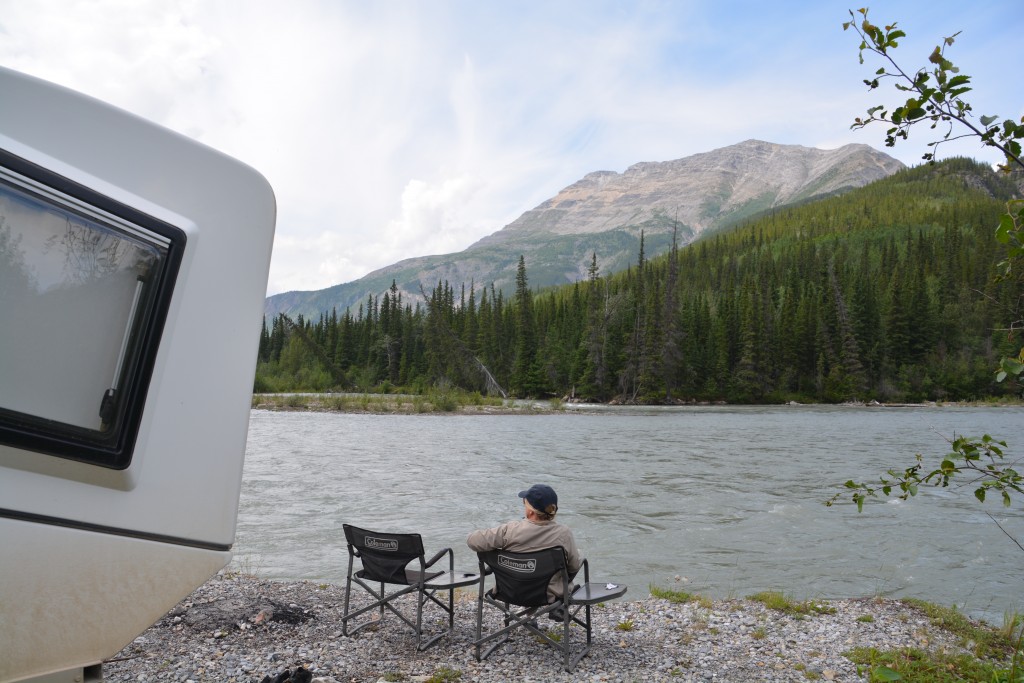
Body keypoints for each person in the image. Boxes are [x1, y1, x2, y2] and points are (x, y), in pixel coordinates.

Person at [466, 483, 583, 608]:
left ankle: (528, 614)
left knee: (525, 570)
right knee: (576, 557)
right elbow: (573, 566)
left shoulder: (510, 530)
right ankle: (558, 606)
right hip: (549, 595)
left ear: (531, 511)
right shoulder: (563, 534)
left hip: (510, 591)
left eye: (524, 504)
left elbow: (472, 541)